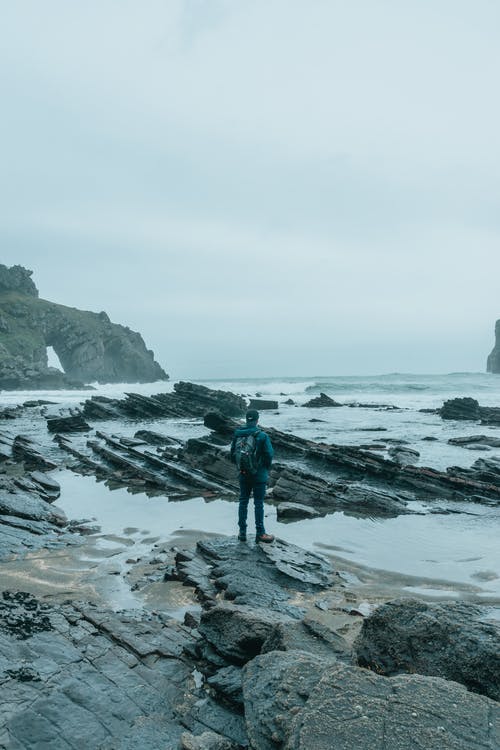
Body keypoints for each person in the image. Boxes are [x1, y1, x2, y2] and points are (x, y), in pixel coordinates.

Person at [230, 408, 275, 543]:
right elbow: (269, 454)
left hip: (243, 474)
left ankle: (242, 532)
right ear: (257, 420)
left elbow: (232, 454)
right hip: (259, 475)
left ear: (246, 419)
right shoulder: (262, 436)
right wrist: (265, 468)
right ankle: (260, 533)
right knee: (258, 503)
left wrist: (241, 467)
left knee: (243, 501)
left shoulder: (238, 434)